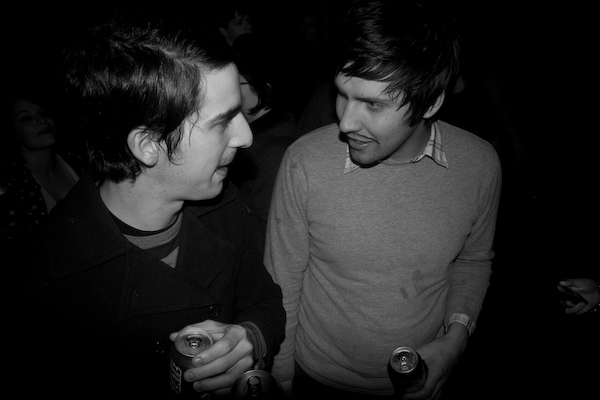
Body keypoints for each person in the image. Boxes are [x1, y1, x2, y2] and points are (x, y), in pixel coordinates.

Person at [12, 12, 285, 397]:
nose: (245, 136)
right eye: (223, 120)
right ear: (148, 145)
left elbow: (263, 299)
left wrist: (251, 338)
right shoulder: (48, 281)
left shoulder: (223, 201)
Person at [264, 1, 502, 399]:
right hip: (315, 379)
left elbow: (473, 260)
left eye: (374, 104)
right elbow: (282, 282)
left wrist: (455, 339)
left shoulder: (480, 165)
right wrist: (283, 381)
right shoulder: (303, 162)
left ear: (431, 102)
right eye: (342, 94)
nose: (345, 123)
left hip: (421, 380)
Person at [228, 33, 303, 237]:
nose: (227, 91)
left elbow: (267, 238)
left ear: (265, 86)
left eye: (236, 84)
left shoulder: (276, 152)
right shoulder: (258, 135)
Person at [1, 76, 84, 250]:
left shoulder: (79, 160)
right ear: (12, 132)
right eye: (26, 118)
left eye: (43, 112)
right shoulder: (11, 187)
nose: (41, 120)